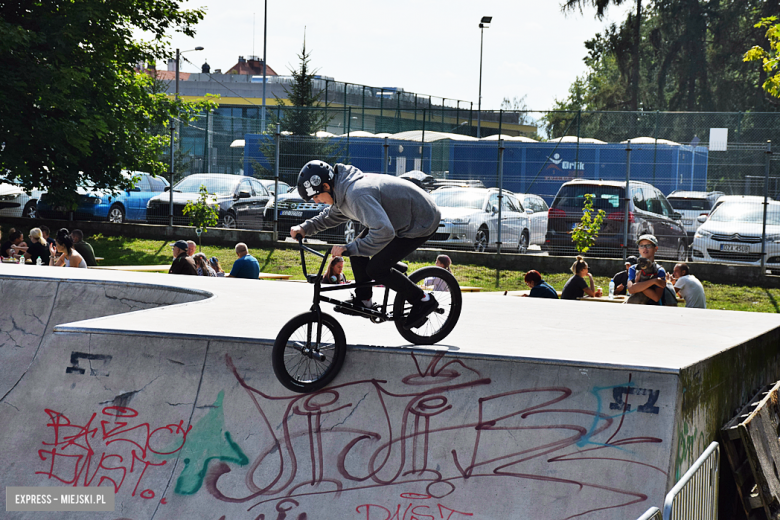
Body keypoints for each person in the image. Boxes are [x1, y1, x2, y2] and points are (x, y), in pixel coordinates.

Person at [290, 160, 441, 329]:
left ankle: (423, 300)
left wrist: (351, 248)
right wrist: (304, 228)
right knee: (357, 250)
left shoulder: (356, 195)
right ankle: (364, 301)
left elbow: (384, 232)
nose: (316, 202)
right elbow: (329, 217)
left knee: (376, 268)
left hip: (421, 220)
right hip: (393, 220)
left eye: (316, 196)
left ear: (326, 186)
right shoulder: (341, 193)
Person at [627, 234, 666, 304]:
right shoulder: (633, 268)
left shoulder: (659, 270)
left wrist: (638, 285)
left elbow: (656, 297)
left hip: (651, 310)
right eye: (641, 246)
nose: (645, 248)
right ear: (639, 249)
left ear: (656, 248)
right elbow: (631, 289)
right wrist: (654, 281)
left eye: (648, 245)